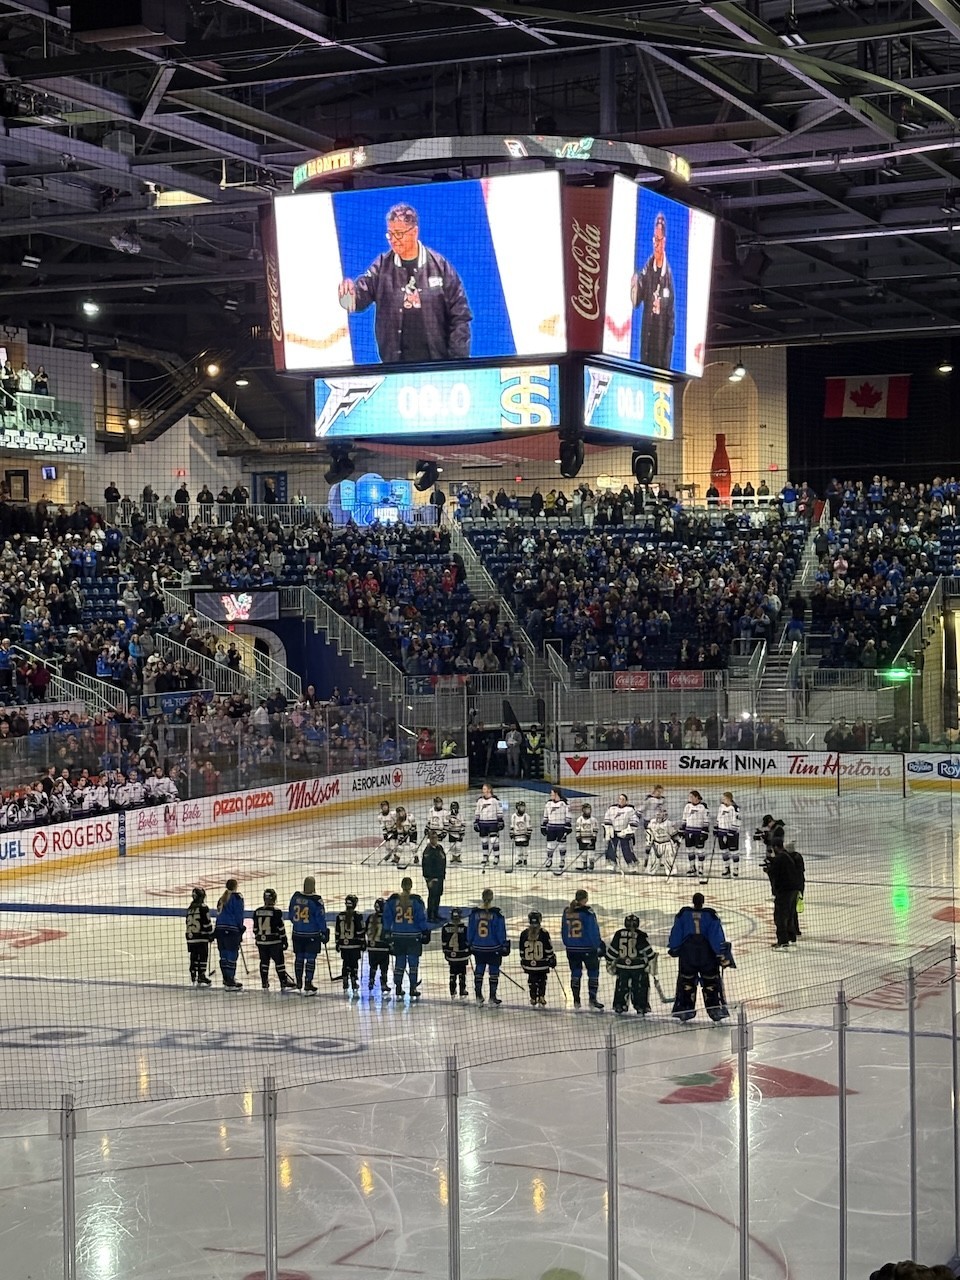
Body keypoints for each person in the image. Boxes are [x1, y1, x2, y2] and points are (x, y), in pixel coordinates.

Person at [338, 201, 472, 363]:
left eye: (399, 234)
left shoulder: (440, 267)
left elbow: (460, 316)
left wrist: (457, 362)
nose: (394, 240)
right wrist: (347, 297)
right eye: (390, 234)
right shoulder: (381, 267)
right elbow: (357, 301)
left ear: (414, 232)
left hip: (438, 366)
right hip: (395, 367)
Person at [668, 892, 732, 1022]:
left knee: (686, 981)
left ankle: (684, 1009)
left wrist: (674, 947)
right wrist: (721, 954)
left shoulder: (683, 914)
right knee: (711, 982)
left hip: (687, 954)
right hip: (707, 955)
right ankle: (715, 1009)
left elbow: (676, 933)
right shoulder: (711, 915)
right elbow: (716, 936)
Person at [630, 210, 676, 370]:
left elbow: (671, 320)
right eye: (654, 240)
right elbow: (636, 300)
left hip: (661, 343)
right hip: (647, 338)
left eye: (659, 240)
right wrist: (635, 283)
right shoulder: (647, 269)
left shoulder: (668, 277)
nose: (656, 245)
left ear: (665, 241)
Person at [385, 876, 429, 1000]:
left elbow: (387, 917)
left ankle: (398, 987)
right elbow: (420, 917)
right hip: (413, 936)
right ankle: (413, 987)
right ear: (411, 886)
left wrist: (387, 931)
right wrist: (425, 930)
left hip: (398, 936)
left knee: (400, 962)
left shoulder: (393, 900)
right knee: (413, 963)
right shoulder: (416, 901)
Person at [561, 889, 605, 1010]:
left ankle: (576, 1000)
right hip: (587, 948)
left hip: (571, 949)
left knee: (575, 973)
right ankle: (592, 999)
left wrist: (567, 944)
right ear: (585, 899)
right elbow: (593, 931)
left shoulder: (567, 912)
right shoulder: (588, 913)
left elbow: (563, 930)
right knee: (593, 972)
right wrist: (598, 945)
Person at [606, 914, 657, 1015]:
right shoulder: (641, 935)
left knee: (621, 986)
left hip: (622, 967)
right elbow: (650, 953)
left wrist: (609, 961)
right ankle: (641, 1006)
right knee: (640, 987)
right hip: (638, 967)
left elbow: (611, 953)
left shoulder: (618, 934)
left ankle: (620, 1005)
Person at [468, 887, 509, 1006]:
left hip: (478, 947)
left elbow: (471, 929)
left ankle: (478, 996)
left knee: (479, 970)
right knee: (494, 972)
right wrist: (503, 944)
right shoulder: (496, 913)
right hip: (493, 947)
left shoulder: (474, 913)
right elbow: (500, 931)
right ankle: (492, 996)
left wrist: (469, 943)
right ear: (492, 898)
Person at [288, 875, 328, 994]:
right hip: (312, 934)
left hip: (297, 933)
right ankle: (308, 982)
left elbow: (291, 915)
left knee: (299, 958)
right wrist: (324, 931)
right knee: (310, 959)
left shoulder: (295, 897)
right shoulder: (316, 900)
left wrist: (298, 924)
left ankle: (299, 981)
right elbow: (320, 918)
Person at [253, 889, 296, 991]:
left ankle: (264, 982)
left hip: (261, 942)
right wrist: (284, 940)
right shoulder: (276, 912)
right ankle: (283, 981)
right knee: (279, 962)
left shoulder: (257, 911)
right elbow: (280, 928)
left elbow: (255, 929)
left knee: (264, 961)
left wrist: (260, 937)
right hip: (274, 942)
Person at [519, 909, 556, 1007]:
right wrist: (552, 958)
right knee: (542, 979)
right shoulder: (544, 933)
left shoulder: (524, 934)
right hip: (542, 964)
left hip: (529, 964)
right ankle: (541, 996)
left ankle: (533, 997)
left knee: (532, 980)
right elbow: (548, 949)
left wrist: (524, 961)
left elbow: (522, 951)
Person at [214, 878, 245, 990]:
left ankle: (226, 978)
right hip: (231, 929)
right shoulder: (237, 898)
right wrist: (240, 928)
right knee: (232, 954)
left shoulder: (221, 899)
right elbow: (239, 914)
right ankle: (230, 979)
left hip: (220, 929)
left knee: (223, 954)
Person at [335, 894, 366, 995]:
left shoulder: (339, 916)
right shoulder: (357, 916)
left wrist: (337, 943)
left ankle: (345, 980)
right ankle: (353, 980)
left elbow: (337, 932)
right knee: (354, 963)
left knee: (345, 962)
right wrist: (362, 942)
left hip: (344, 945)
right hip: (354, 945)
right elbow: (360, 932)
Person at [602, 794, 640, 871]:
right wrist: (609, 830)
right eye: (620, 799)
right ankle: (612, 863)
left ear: (626, 801)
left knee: (627, 850)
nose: (621, 800)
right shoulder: (612, 808)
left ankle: (632, 864)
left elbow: (634, 822)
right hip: (614, 832)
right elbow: (607, 819)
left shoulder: (630, 809)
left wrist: (626, 831)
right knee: (611, 849)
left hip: (625, 833)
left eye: (623, 799)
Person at [185, 887, 214, 987]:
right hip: (201, 937)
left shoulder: (190, 908)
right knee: (202, 956)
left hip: (190, 937)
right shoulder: (203, 907)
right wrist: (210, 934)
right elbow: (207, 923)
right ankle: (201, 975)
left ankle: (193, 973)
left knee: (193, 956)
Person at [365, 897, 392, 997]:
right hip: (383, 947)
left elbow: (364, 930)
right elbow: (389, 932)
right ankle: (384, 983)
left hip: (372, 947)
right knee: (384, 968)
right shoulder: (387, 918)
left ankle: (371, 981)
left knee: (373, 966)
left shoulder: (370, 917)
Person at [441, 907, 470, 999]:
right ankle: (462, 990)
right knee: (462, 973)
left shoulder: (445, 928)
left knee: (452, 972)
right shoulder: (465, 928)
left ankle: (452, 991)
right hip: (462, 954)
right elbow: (467, 942)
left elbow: (444, 943)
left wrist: (446, 952)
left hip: (451, 955)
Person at [541, 786, 571, 874]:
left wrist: (568, 825)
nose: (551, 795)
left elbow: (568, 815)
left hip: (561, 827)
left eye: (552, 793)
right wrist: (543, 825)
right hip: (551, 827)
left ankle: (562, 860)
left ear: (556, 793)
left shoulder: (564, 803)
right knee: (550, 845)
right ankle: (549, 860)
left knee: (562, 845)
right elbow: (545, 815)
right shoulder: (548, 804)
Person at [681, 789, 710, 876]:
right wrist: (682, 829)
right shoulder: (687, 806)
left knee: (700, 851)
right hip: (689, 831)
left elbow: (706, 820)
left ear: (697, 797)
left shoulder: (703, 807)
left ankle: (700, 868)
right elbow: (684, 818)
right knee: (690, 850)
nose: (689, 798)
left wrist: (705, 831)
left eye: (691, 796)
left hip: (699, 832)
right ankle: (692, 867)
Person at [474, 782, 503, 868]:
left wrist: (500, 821)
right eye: (483, 789)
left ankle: (496, 856)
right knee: (484, 840)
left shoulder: (495, 800)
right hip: (483, 823)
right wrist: (476, 821)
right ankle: (485, 856)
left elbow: (499, 811)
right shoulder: (480, 801)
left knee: (494, 840)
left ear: (489, 790)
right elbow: (477, 812)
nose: (483, 791)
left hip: (493, 822)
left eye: (484, 789)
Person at [421, 830, 447, 923]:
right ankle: (430, 915)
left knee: (438, 895)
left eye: (436, 838)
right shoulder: (428, 851)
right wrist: (429, 879)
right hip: (432, 878)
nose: (435, 840)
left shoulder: (439, 848)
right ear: (429, 839)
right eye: (432, 838)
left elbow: (443, 861)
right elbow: (426, 866)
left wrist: (443, 875)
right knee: (432, 896)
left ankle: (436, 913)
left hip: (440, 876)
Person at [644, 805, 678, 874]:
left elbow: (673, 834)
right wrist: (648, 844)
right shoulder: (652, 822)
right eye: (657, 813)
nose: (658, 815)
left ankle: (670, 873)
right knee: (653, 862)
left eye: (660, 812)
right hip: (656, 844)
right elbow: (649, 834)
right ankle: (651, 872)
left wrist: (677, 842)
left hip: (667, 844)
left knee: (669, 861)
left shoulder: (668, 823)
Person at [715, 791, 741, 877]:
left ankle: (736, 869)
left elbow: (737, 821)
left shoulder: (735, 808)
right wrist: (716, 828)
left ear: (729, 799)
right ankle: (726, 868)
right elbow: (718, 819)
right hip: (721, 833)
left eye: (724, 798)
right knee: (724, 851)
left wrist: (732, 831)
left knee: (734, 852)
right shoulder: (721, 807)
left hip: (732, 834)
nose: (722, 800)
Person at [575, 801, 598, 871]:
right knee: (583, 854)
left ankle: (591, 865)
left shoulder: (593, 820)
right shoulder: (579, 820)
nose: (588, 811)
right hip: (582, 839)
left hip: (590, 839)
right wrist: (578, 837)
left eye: (589, 809)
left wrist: (594, 837)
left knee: (591, 854)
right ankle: (584, 865)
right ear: (583, 810)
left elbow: (595, 829)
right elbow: (578, 829)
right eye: (586, 809)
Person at [509, 799, 532, 868]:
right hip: (517, 835)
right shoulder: (514, 816)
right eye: (521, 807)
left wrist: (528, 834)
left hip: (524, 835)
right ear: (517, 808)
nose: (523, 809)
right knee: (518, 848)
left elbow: (529, 826)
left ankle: (525, 859)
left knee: (525, 848)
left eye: (523, 807)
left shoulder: (526, 816)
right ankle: (519, 860)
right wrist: (511, 833)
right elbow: (512, 825)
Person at [446, 799, 465, 863]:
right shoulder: (448, 815)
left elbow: (463, 824)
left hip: (458, 833)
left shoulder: (460, 815)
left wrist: (462, 832)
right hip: (451, 833)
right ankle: (453, 856)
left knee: (458, 846)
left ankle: (458, 856)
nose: (454, 809)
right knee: (452, 846)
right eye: (453, 807)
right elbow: (446, 823)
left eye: (455, 807)